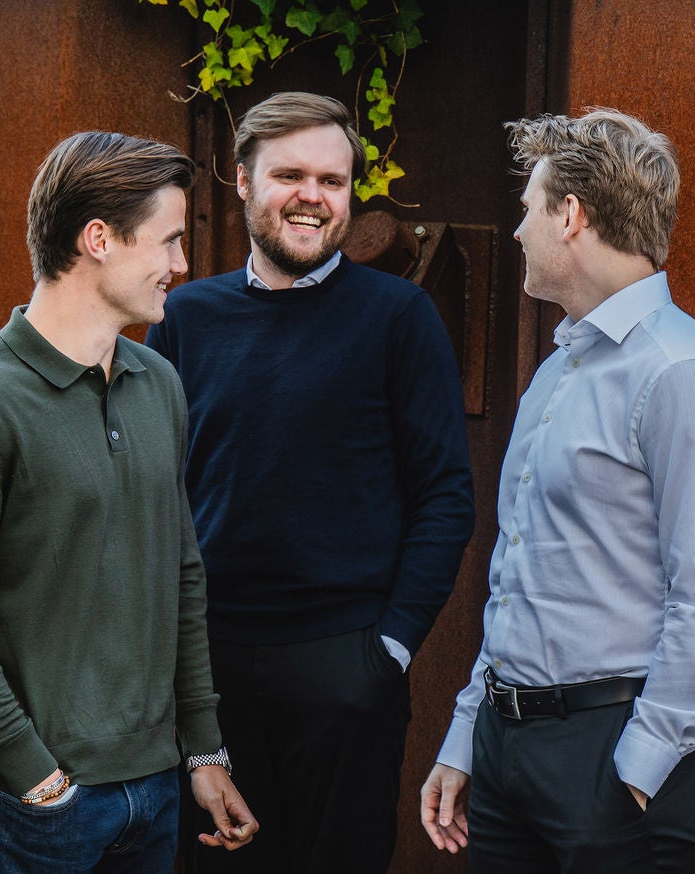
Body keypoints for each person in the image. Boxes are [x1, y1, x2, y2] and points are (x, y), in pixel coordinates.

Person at [0, 130, 257, 873]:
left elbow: (180, 574)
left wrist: (202, 747)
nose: (182, 265)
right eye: (167, 241)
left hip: (155, 789)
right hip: (35, 803)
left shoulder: (157, 382)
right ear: (98, 238)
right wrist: (36, 776)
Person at [419, 108, 695, 873]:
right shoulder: (557, 369)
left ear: (570, 215)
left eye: (528, 209)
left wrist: (636, 773)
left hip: (618, 754)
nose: (517, 233)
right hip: (508, 753)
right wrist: (470, 735)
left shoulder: (684, 374)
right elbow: (517, 577)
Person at [145, 91, 476, 873]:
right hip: (210, 666)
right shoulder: (185, 317)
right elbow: (153, 490)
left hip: (346, 664)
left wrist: (389, 649)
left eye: (331, 181)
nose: (311, 197)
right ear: (242, 181)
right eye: (288, 174)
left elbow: (445, 496)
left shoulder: (398, 317)